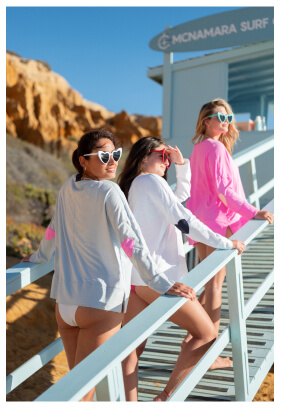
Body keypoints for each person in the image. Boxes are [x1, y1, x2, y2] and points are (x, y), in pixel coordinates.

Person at [21, 129, 196, 402]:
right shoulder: (110, 191)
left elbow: (53, 231)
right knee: (82, 395)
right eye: (104, 156)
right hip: (100, 304)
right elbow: (132, 243)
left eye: (115, 154)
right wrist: (162, 283)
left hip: (65, 303)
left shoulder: (68, 187)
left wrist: (38, 257)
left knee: (79, 390)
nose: (112, 161)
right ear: (83, 160)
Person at [118, 136, 246, 401]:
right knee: (206, 332)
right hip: (158, 279)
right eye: (161, 156)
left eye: (167, 157)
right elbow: (183, 219)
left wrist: (181, 164)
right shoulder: (150, 182)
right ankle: (165, 397)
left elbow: (180, 198)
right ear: (143, 158)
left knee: (131, 351)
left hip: (137, 280)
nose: (166, 161)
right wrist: (226, 242)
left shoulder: (137, 186)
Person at [184, 98, 274, 369]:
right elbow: (225, 191)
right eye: (219, 117)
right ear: (206, 121)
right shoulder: (216, 149)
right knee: (214, 286)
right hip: (216, 225)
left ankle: (193, 339)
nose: (225, 122)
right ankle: (207, 353)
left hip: (200, 223)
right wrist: (252, 212)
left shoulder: (198, 149)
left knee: (209, 283)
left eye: (228, 118)